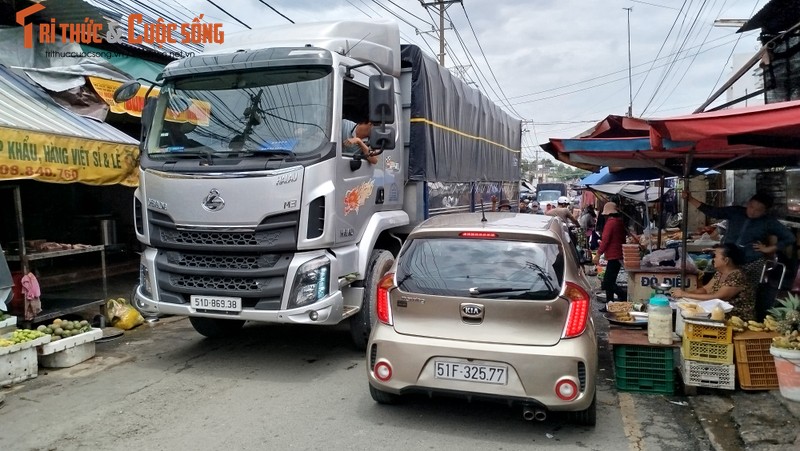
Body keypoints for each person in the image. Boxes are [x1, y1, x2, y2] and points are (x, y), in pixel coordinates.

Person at [681, 190, 794, 291]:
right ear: (748, 203)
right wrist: (690, 199)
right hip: (728, 261)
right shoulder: (736, 212)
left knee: (745, 291)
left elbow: (790, 237)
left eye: (758, 210)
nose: (752, 211)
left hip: (751, 262)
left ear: (765, 211)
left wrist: (769, 248)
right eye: (751, 206)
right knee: (721, 288)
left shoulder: (768, 222)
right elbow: (714, 211)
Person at [670, 243, 755, 319]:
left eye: (715, 256)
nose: (713, 259)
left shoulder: (737, 275)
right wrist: (684, 296)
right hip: (717, 313)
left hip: (735, 317)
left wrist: (685, 294)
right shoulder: (719, 273)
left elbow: (718, 297)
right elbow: (706, 289)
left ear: (726, 260)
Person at [593, 202, 627, 309]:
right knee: (610, 281)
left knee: (608, 282)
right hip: (618, 254)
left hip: (614, 255)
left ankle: (622, 296)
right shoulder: (619, 222)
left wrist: (598, 254)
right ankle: (609, 304)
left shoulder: (611, 223)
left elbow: (605, 240)